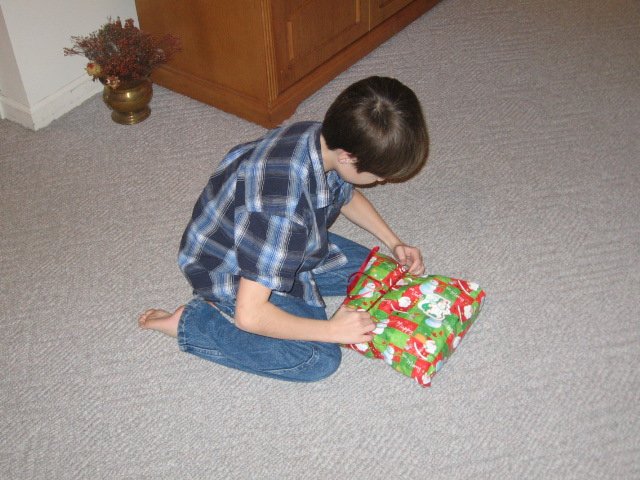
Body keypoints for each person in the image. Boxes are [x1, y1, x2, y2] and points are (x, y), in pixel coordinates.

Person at [139, 76, 429, 382]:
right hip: (230, 268)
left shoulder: (321, 137)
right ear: (348, 157)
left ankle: (307, 281)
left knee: (381, 273)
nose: (381, 181)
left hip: (285, 241)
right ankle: (193, 324)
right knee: (319, 359)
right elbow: (251, 315)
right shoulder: (280, 210)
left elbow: (345, 195)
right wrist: (332, 330)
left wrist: (394, 242)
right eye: (379, 175)